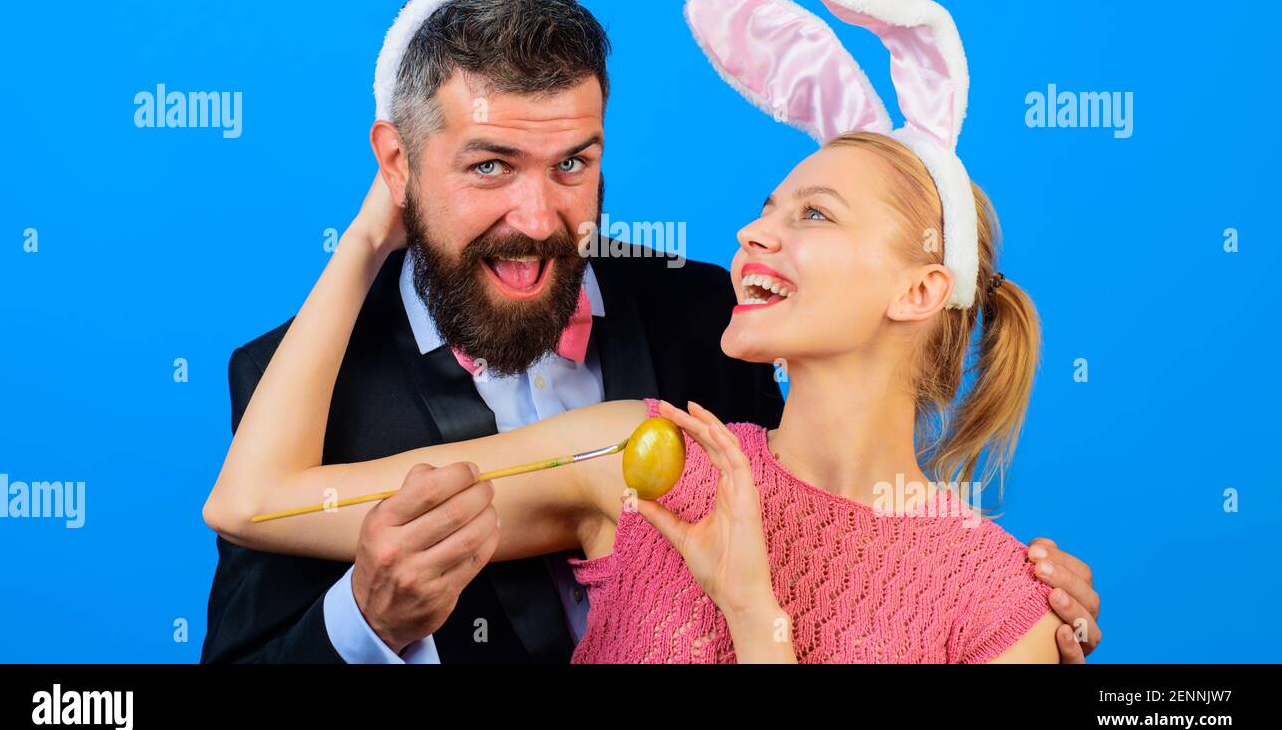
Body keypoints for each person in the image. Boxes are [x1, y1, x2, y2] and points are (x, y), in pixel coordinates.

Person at [203, 126, 1073, 662]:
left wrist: (753, 616)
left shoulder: (1001, 601)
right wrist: (366, 241)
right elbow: (255, 502)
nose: (754, 230)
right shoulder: (645, 460)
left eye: (814, 214)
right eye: (769, 204)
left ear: (920, 291)